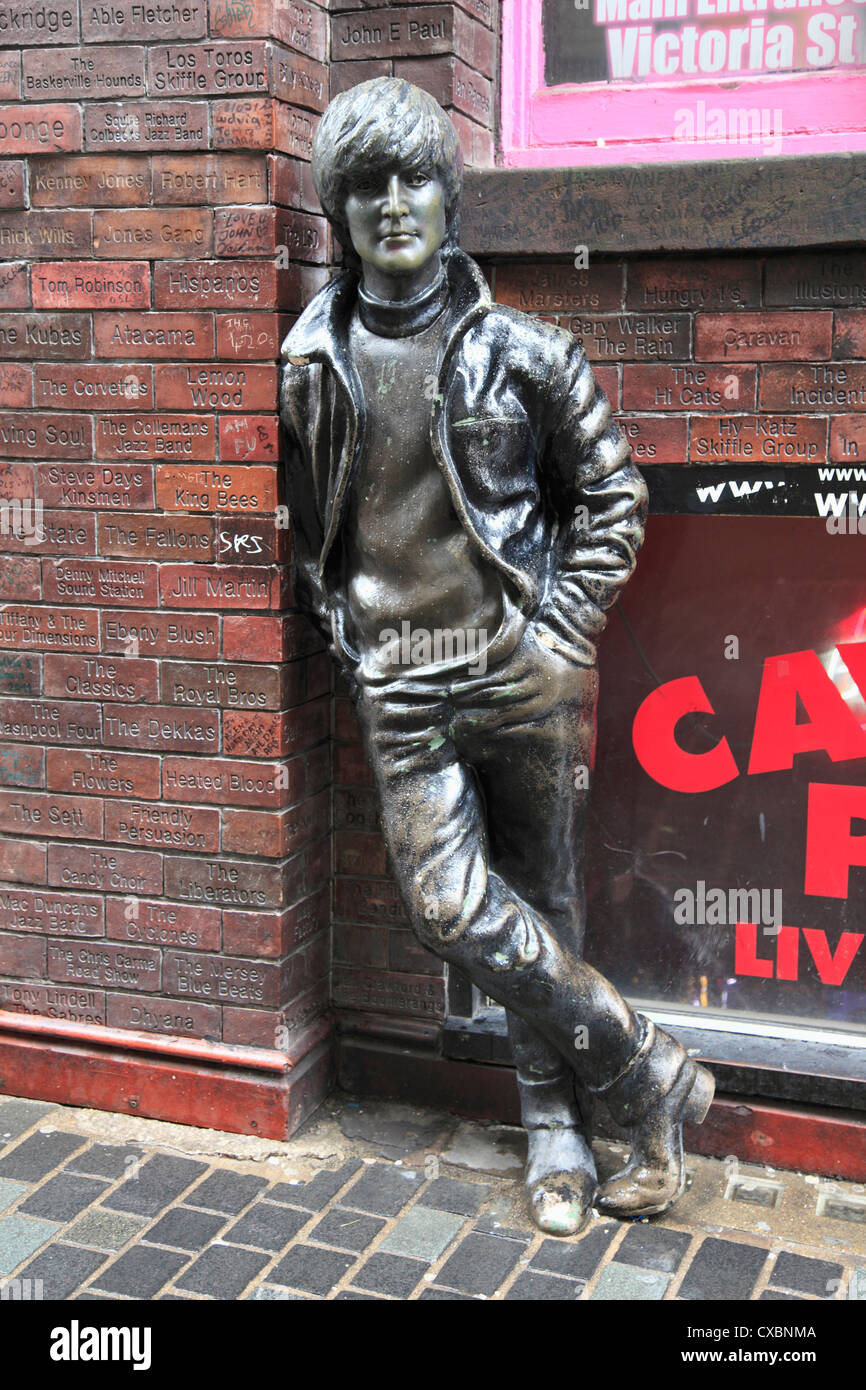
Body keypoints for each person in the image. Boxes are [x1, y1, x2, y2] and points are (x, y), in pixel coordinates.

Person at [279, 77, 714, 1236]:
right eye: (362, 186)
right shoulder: (309, 362)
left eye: (411, 176)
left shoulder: (526, 349)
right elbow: (306, 525)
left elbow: (612, 498)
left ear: (448, 194)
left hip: (518, 671)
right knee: (448, 907)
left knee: (542, 908)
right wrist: (353, 638)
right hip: (401, 683)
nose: (390, 204)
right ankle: (642, 1065)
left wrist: (560, 631)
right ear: (336, 209)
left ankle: (566, 1137)